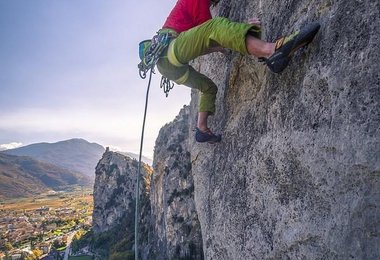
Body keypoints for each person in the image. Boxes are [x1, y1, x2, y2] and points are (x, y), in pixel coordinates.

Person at [139, 0, 320, 143]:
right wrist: (242, 26)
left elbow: (201, 39)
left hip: (169, 67)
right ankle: (272, 50)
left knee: (209, 88)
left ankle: (201, 129)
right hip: (170, 50)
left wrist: (217, 48)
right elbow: (213, 29)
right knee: (216, 27)